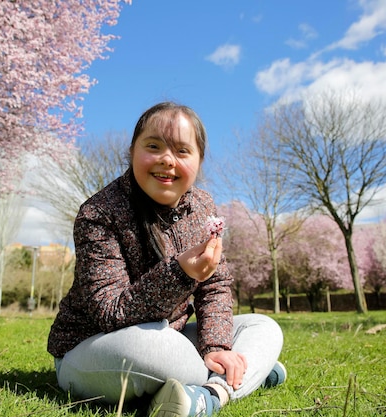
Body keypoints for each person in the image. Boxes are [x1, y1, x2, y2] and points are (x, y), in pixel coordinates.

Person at [47, 102, 286, 417]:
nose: (166, 160)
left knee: (264, 326)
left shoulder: (202, 207)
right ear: (132, 151)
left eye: (182, 151)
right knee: (160, 352)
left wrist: (215, 347)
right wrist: (180, 273)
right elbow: (108, 311)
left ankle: (211, 395)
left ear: (199, 162)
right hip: (96, 347)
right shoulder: (99, 213)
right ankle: (249, 372)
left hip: (170, 336)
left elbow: (215, 284)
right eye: (154, 146)